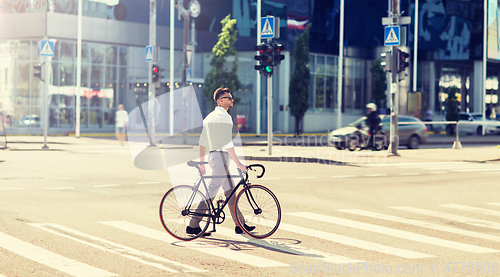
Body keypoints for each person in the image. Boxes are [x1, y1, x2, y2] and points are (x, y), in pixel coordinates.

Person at [188, 87, 254, 236]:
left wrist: (203, 162)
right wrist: (238, 163)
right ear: (220, 100)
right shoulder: (224, 116)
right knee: (211, 191)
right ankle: (193, 225)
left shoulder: (209, 117)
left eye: (231, 97)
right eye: (229, 97)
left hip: (213, 157)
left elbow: (202, 141)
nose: (232, 99)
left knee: (230, 191)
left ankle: (240, 224)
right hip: (221, 158)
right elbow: (227, 142)